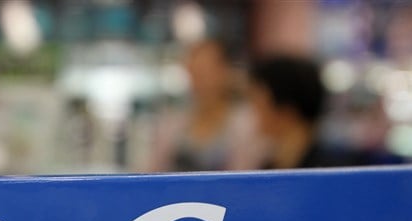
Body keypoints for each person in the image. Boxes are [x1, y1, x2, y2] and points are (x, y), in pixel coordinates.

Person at [150, 39, 265, 172]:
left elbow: (246, 175)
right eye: (195, 73)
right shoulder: (172, 123)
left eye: (206, 72)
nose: (200, 81)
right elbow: (152, 171)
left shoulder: (246, 123)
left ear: (225, 71)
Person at [248, 55, 361, 169]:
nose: (253, 108)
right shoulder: (268, 168)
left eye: (257, 100)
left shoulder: (335, 168)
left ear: (287, 109)